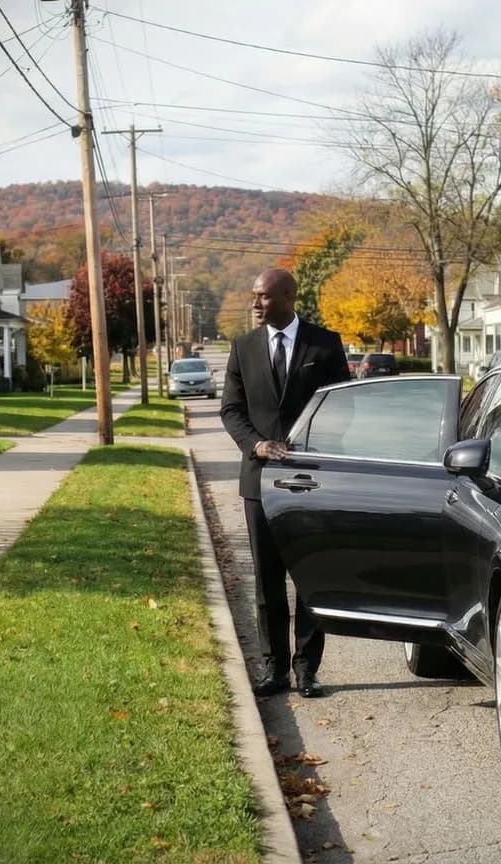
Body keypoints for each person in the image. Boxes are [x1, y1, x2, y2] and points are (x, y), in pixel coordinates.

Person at [220, 268, 351, 698]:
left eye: (263, 297)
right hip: (259, 483)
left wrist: (312, 445)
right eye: (254, 296)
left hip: (310, 480)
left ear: (288, 296)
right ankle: (274, 669)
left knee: (309, 577)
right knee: (267, 581)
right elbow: (231, 410)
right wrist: (255, 445)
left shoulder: (324, 344)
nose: (256, 303)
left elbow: (343, 407)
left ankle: (306, 670)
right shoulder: (242, 348)